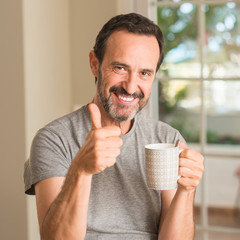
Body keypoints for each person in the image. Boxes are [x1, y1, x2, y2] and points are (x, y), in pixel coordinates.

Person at [24, 13, 204, 240]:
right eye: (120, 68)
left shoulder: (168, 139)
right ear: (94, 64)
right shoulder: (54, 139)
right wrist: (81, 169)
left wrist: (187, 191)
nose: (131, 86)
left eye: (144, 73)